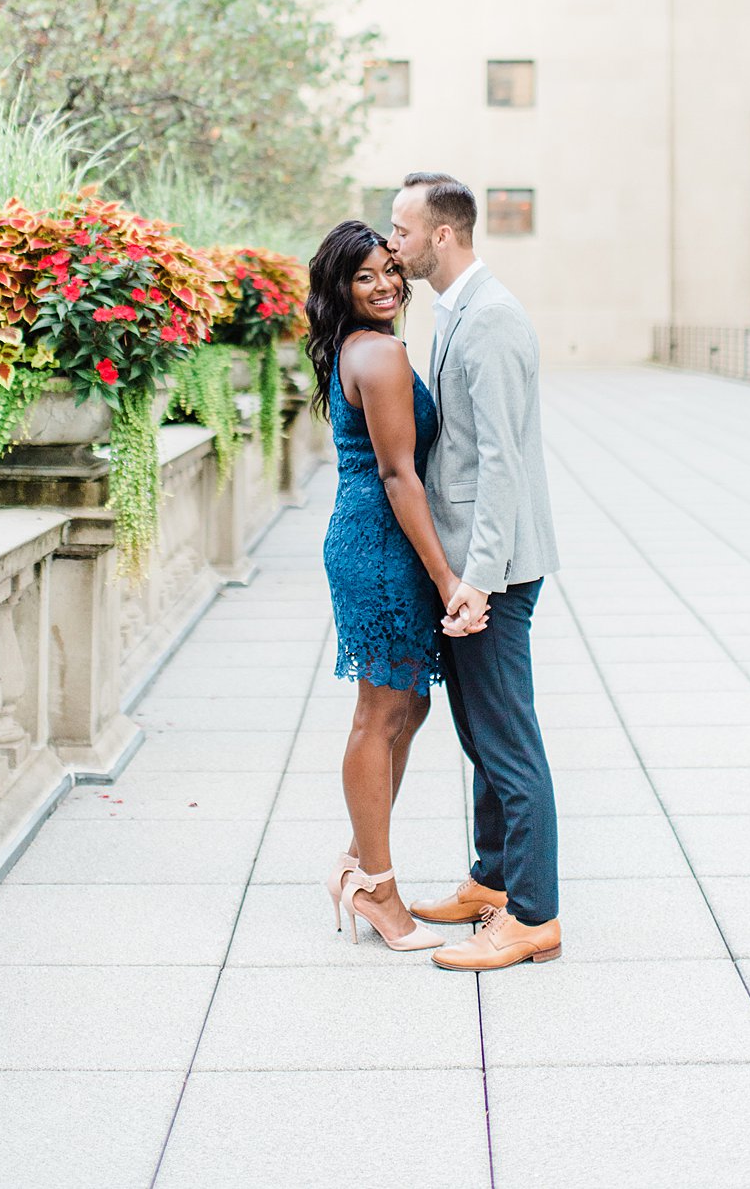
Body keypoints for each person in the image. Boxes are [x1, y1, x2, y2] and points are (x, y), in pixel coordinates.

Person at [388, 171, 562, 971]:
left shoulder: (489, 320)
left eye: (403, 230)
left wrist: (476, 582)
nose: (394, 244)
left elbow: (498, 464)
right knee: (481, 737)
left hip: (487, 573)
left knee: (507, 743)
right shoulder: (457, 310)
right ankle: (492, 882)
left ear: (443, 236)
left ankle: (531, 916)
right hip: (469, 566)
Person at [305, 220, 480, 951]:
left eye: (388, 271)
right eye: (364, 278)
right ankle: (377, 886)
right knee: (380, 713)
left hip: (382, 540)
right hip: (380, 546)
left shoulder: (363, 347)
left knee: (410, 706)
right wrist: (448, 580)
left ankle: (355, 860)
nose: (384, 286)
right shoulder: (377, 353)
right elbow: (398, 474)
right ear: (341, 290)